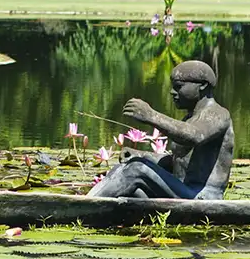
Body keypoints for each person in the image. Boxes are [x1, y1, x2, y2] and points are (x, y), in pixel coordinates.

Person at [87, 60, 234, 200]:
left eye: (179, 86)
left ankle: (85, 205)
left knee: (136, 169)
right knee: (126, 176)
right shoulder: (189, 119)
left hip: (204, 197)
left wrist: (151, 115)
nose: (172, 92)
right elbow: (176, 162)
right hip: (183, 191)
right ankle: (86, 202)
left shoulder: (218, 114)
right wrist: (141, 154)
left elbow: (195, 136)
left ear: (202, 85)